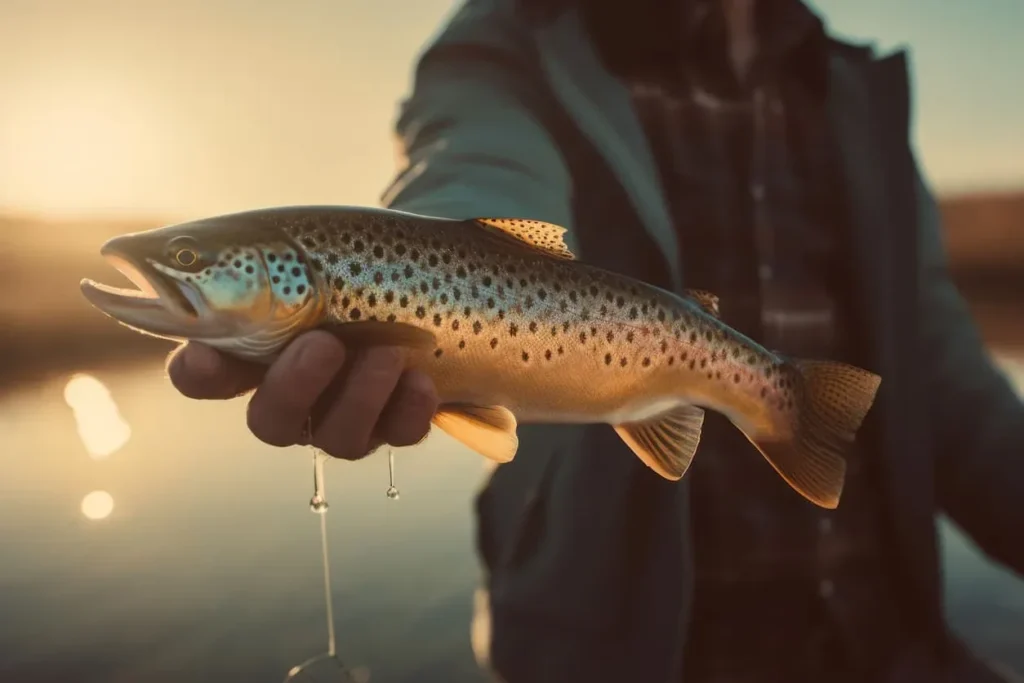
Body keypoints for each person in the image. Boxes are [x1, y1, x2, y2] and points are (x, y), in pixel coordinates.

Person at [167, 0, 1024, 680]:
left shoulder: (853, 87)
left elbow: (940, 372)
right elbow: (466, 166)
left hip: (893, 646)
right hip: (612, 657)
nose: (179, 272)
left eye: (189, 264)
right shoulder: (506, 44)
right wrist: (421, 262)